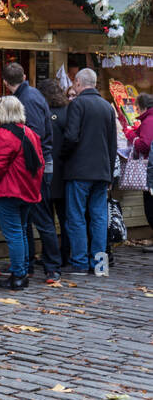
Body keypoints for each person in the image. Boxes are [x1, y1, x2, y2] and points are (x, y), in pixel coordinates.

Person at [1, 62, 60, 283]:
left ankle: (52, 267)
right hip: (36, 165)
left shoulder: (28, 99)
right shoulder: (33, 95)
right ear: (24, 75)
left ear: (6, 83)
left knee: (41, 217)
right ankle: (26, 264)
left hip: (37, 167)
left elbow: (34, 135)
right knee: (26, 218)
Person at [0, 95, 44, 290]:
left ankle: (18, 275)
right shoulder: (30, 133)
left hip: (9, 191)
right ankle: (22, 272)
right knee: (22, 231)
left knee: (15, 234)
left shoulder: (3, 135)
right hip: (27, 190)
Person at [59, 68, 118, 276]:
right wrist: (110, 174)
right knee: (100, 217)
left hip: (79, 170)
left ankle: (80, 263)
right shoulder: (107, 107)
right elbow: (113, 145)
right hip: (102, 171)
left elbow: (72, 137)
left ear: (77, 83)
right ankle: (100, 265)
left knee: (76, 217)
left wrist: (62, 155)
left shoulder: (78, 104)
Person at [41, 80, 72, 265]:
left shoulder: (43, 115)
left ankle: (49, 255)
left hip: (46, 171)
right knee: (65, 217)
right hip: (64, 170)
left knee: (47, 219)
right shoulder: (68, 113)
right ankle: (66, 253)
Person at [125, 92, 153, 249]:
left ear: (142, 107)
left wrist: (130, 135)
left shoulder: (149, 121)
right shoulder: (148, 120)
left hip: (150, 169)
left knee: (150, 206)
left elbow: (144, 145)